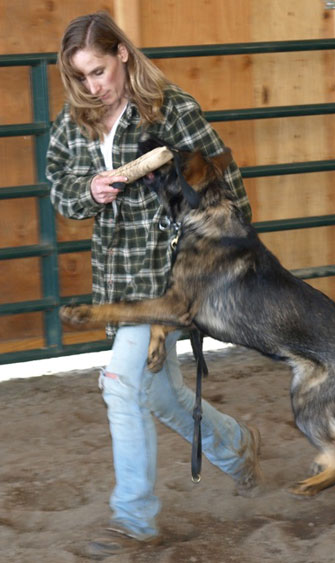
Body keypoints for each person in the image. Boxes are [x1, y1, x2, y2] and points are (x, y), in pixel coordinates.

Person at [46, 11, 262, 560]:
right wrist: (89, 191)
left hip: (171, 271)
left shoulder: (172, 108)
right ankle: (237, 447)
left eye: (99, 70)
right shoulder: (74, 121)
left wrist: (219, 254)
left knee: (120, 383)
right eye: (82, 77)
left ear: (122, 53)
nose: (93, 86)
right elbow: (61, 189)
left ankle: (134, 520)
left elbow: (224, 178)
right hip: (117, 276)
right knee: (158, 392)